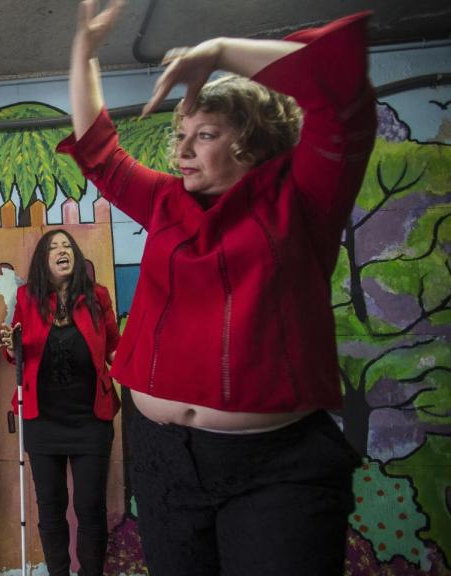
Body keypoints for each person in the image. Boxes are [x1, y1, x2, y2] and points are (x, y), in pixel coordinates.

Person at [59, 1, 376, 574]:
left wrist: (220, 51)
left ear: (255, 143)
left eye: (203, 135)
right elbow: (100, 151)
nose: (180, 150)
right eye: (180, 134)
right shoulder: (165, 202)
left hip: (275, 467)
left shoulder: (304, 200)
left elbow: (341, 90)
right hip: (161, 456)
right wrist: (84, 50)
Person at [0, 229, 120, 576]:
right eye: (54, 247)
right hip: (42, 418)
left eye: (67, 246)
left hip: (91, 419)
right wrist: (10, 345)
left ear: (75, 256)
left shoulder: (97, 296)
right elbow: (17, 355)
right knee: (51, 508)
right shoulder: (26, 297)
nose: (62, 250)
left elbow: (114, 347)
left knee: (90, 507)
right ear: (43, 261)